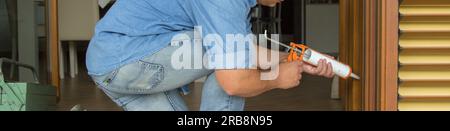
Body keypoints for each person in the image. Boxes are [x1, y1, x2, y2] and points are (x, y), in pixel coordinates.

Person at [86, 0, 335, 111]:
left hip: (108, 66)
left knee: (230, 49)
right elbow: (234, 81)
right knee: (230, 56)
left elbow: (241, 47)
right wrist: (278, 78)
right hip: (126, 59)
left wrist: (292, 58)